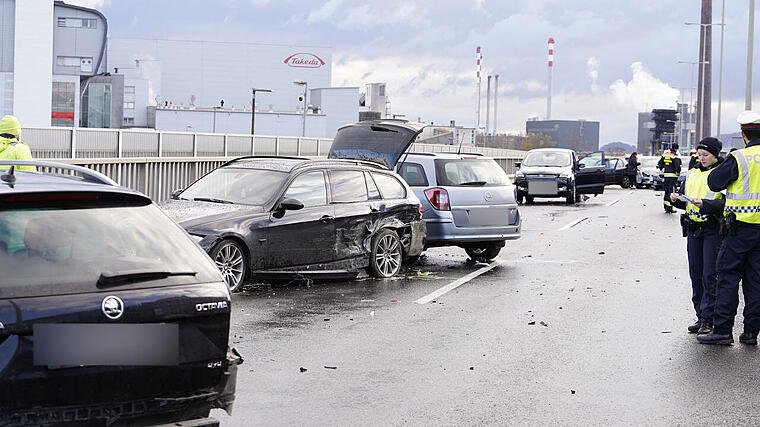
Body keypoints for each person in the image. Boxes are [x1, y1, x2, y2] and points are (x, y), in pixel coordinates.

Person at [699, 111, 760, 345]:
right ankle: (751, 333)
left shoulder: (741, 158)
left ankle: (723, 330)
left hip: (739, 230)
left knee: (728, 277)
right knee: (756, 281)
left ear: (744, 135)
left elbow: (714, 182)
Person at [670, 137, 724, 336]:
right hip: (693, 230)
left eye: (705, 155)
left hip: (712, 229)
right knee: (695, 274)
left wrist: (706, 205)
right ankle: (700, 315)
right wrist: (676, 199)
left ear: (715, 155)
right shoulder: (691, 173)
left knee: (709, 276)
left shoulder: (721, 174)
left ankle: (709, 319)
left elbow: (727, 202)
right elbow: (685, 201)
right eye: (699, 154)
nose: (701, 158)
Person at [658, 143, 682, 213]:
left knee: (666, 192)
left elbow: (659, 164)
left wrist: (664, 171)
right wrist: (677, 174)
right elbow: (678, 167)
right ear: (677, 148)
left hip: (666, 177)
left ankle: (666, 207)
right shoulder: (675, 156)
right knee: (671, 192)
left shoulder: (665, 155)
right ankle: (669, 208)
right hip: (673, 177)